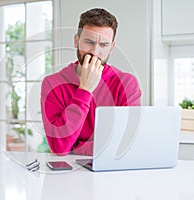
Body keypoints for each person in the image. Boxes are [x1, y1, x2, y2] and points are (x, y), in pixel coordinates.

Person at [41, 8, 141, 156]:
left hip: (113, 172)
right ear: (76, 41)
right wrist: (85, 89)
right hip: (68, 175)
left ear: (112, 47)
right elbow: (59, 147)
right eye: (89, 42)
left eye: (104, 45)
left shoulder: (127, 84)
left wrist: (75, 148)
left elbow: (126, 144)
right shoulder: (52, 83)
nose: (95, 52)